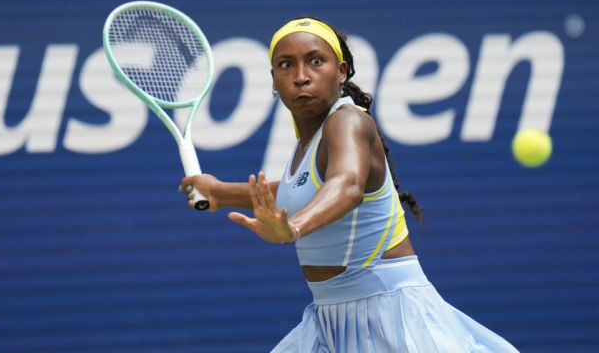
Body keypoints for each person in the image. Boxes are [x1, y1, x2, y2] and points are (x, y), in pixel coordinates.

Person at [180, 17, 519, 353]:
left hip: (391, 317)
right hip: (329, 322)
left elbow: (347, 184)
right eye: (286, 65)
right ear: (273, 80)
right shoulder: (307, 143)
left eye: (315, 61)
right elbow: (296, 190)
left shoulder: (348, 120)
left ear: (341, 72)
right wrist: (220, 193)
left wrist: (292, 229)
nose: (301, 77)